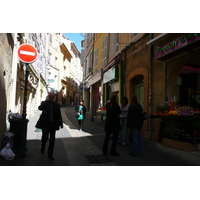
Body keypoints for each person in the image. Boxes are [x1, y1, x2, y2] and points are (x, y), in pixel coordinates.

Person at [35, 91, 63, 160]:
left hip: (53, 125)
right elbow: (40, 108)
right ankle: (43, 146)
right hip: (45, 124)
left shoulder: (56, 105)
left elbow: (59, 115)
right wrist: (46, 101)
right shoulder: (45, 103)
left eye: (53, 97)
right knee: (45, 138)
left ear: (54, 97)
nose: (51, 98)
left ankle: (50, 154)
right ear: (48, 96)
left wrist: (61, 123)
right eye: (50, 97)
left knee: (52, 140)